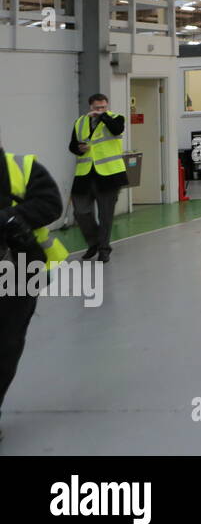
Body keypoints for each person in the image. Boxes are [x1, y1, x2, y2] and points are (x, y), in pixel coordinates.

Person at [1, 135, 67, 440]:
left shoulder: (22, 168)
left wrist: (14, 218)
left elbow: (51, 203)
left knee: (6, 344)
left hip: (17, 271)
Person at [69, 93, 127, 263]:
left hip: (109, 175)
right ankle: (93, 243)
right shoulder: (80, 122)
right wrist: (80, 149)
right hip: (84, 175)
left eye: (103, 107)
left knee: (105, 215)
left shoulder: (116, 119)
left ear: (107, 106)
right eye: (97, 108)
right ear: (90, 107)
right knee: (81, 212)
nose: (100, 110)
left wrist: (102, 116)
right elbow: (72, 145)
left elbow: (117, 130)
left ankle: (104, 249)